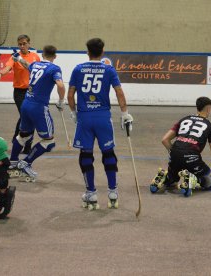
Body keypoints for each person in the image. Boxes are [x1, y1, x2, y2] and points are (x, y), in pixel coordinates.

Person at [67, 38, 134, 210]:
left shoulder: (78, 69)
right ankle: (112, 192)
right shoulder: (109, 69)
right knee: (108, 154)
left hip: (85, 118)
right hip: (103, 117)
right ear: (102, 51)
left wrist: (74, 113)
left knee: (86, 155)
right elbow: (119, 92)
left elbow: (70, 95)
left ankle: (91, 192)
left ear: (87, 51)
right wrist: (125, 114)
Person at [150, 96, 211, 197]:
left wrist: (174, 153)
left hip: (175, 154)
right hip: (192, 158)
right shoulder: (209, 126)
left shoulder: (184, 119)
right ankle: (193, 178)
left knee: (172, 183)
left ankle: (166, 178)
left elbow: (165, 140)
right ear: (208, 109)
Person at [7, 45, 65, 181]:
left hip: (26, 105)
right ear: (55, 56)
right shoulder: (54, 69)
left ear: (42, 54)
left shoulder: (35, 64)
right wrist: (61, 101)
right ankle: (25, 163)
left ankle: (13, 163)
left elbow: (27, 65)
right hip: (39, 107)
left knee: (23, 136)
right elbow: (61, 85)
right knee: (49, 142)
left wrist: (18, 58)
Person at [0, 34, 41, 154]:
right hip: (19, 92)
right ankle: (18, 139)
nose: (22, 46)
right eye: (20, 44)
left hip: (32, 92)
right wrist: (1, 73)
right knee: (26, 115)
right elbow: (7, 67)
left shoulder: (35, 57)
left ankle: (26, 145)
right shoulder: (15, 57)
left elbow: (38, 72)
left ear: (29, 44)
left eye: (24, 43)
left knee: (28, 117)